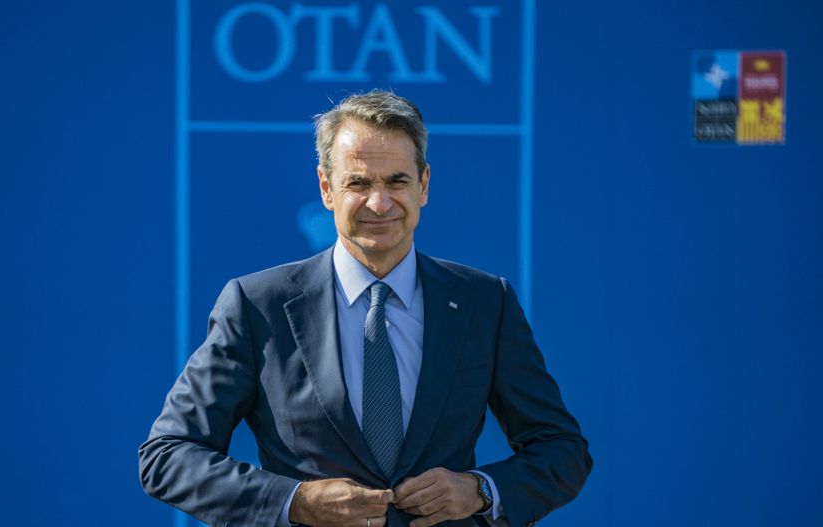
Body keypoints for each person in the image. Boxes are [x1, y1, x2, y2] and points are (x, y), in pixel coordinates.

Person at [139, 90, 592, 527]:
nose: (380, 203)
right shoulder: (258, 305)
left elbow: (561, 450)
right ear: (326, 188)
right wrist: (296, 502)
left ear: (424, 185)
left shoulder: (484, 301)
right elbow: (167, 456)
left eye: (397, 181)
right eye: (358, 182)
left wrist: (480, 490)